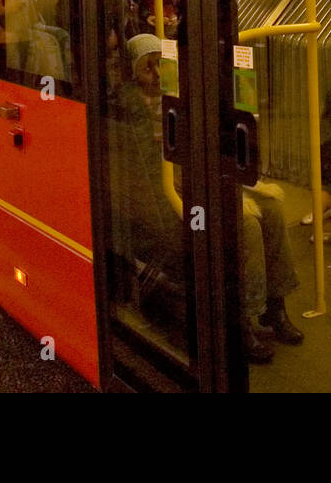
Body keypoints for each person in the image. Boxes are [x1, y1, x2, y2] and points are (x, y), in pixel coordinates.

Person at [117, 33, 302, 363]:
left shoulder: (177, 95)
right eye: (147, 68)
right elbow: (150, 174)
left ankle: (276, 305)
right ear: (134, 73)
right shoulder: (133, 112)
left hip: (200, 173)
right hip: (172, 188)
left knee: (272, 208)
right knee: (245, 223)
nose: (157, 75)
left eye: (162, 64)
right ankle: (244, 316)